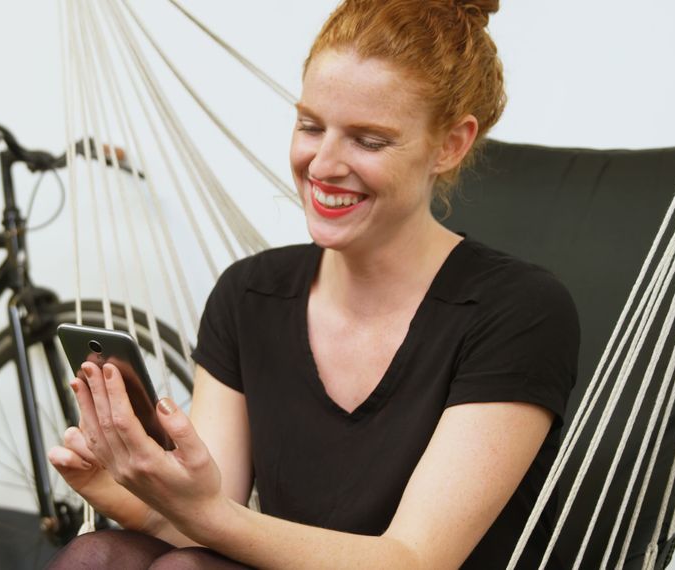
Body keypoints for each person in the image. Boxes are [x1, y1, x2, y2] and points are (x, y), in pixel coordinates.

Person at [47, 0, 579, 567]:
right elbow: (210, 523)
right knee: (96, 555)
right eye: (310, 126)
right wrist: (129, 493)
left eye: (368, 140)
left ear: (450, 145)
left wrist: (206, 513)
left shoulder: (518, 312)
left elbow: (413, 560)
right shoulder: (249, 296)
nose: (322, 164)